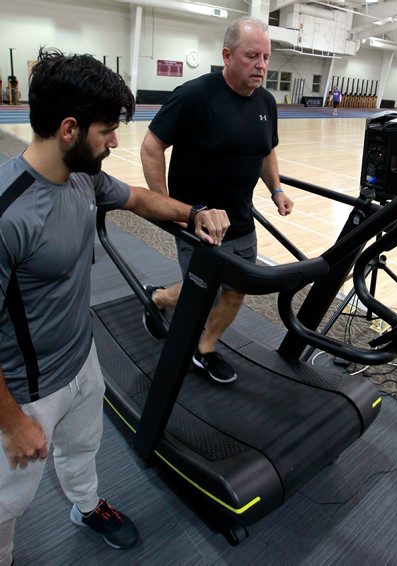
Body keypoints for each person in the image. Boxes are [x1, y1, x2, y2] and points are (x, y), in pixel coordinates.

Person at [0, 48, 229, 565]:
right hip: (25, 390)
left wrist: (193, 212)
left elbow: (140, 200)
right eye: (107, 130)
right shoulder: (9, 212)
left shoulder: (82, 178)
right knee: (6, 504)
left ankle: (86, 506)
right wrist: (12, 422)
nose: (115, 141)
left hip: (82, 359)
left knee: (82, 449)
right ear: (68, 129)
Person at [140, 17, 293, 384]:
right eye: (252, 56)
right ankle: (159, 299)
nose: (262, 65)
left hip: (241, 222)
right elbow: (151, 146)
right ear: (227, 55)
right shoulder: (194, 95)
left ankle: (205, 348)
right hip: (198, 222)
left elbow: (266, 151)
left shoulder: (266, 102)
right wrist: (167, 206)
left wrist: (276, 189)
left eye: (267, 57)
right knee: (202, 293)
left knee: (236, 292)